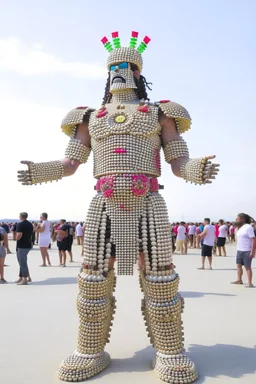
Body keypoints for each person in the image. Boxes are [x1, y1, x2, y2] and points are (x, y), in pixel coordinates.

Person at [18, 31, 219, 383]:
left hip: (149, 205)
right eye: (115, 66)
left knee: (160, 280)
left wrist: (196, 169)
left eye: (127, 66)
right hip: (104, 205)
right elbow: (70, 163)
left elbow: (177, 160)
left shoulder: (161, 113)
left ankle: (170, 351)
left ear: (139, 73)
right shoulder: (89, 116)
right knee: (94, 281)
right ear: (106, 72)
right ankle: (90, 350)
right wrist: (40, 171)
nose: (120, 72)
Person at [232, 213, 256, 288]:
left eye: (237, 219)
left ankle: (250, 283)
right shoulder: (239, 228)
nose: (236, 220)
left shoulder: (248, 227)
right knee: (238, 266)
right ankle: (239, 280)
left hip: (247, 250)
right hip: (239, 250)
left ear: (242, 219)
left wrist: (252, 251)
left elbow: (253, 239)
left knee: (247, 267)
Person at [15, 212, 33, 285]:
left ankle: (25, 279)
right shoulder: (29, 224)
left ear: (21, 217)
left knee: (22, 263)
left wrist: (16, 238)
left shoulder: (20, 224)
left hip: (22, 245)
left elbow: (19, 235)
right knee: (22, 262)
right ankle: (22, 277)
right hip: (28, 244)